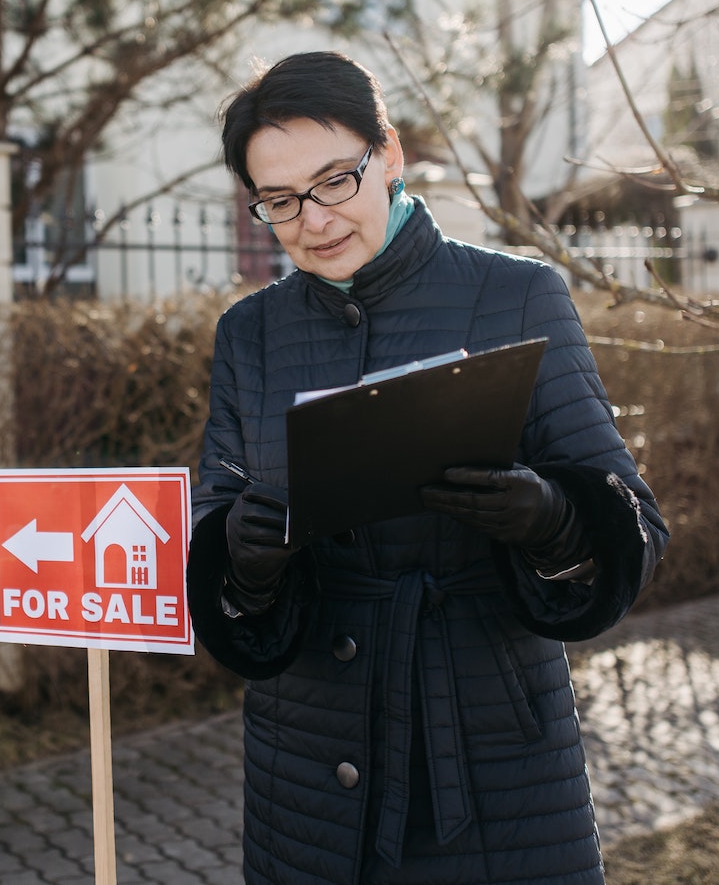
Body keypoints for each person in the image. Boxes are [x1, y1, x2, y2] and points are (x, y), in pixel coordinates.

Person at [187, 50, 668, 884]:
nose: (314, 218)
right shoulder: (250, 334)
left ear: (392, 155)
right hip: (304, 763)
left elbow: (634, 523)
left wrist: (550, 518)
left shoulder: (516, 295)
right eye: (281, 200)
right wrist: (244, 558)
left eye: (337, 180)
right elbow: (215, 514)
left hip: (487, 752)